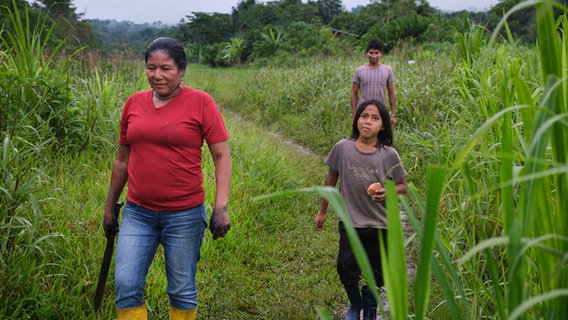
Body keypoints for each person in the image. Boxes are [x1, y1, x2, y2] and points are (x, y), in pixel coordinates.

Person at [103, 37, 232, 320]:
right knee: (125, 284)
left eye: (165, 68)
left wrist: (220, 207)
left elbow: (221, 156)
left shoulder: (201, 103)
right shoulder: (134, 103)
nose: (157, 75)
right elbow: (122, 159)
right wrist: (109, 206)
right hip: (138, 212)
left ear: (181, 71)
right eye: (151, 68)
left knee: (181, 289)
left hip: (184, 214)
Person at [314, 99, 407, 320]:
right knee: (345, 267)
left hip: (380, 224)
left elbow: (403, 185)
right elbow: (330, 181)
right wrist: (323, 211)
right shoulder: (342, 148)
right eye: (364, 116)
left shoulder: (388, 154)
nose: (368, 122)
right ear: (357, 119)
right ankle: (355, 305)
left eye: (375, 118)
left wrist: (390, 191)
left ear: (383, 125)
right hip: (350, 221)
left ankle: (370, 305)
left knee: (378, 272)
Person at [351, 39, 398, 127]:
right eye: (371, 52)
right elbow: (354, 93)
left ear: (381, 53)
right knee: (363, 135)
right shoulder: (359, 70)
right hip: (363, 111)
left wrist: (393, 115)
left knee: (381, 136)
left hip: (380, 111)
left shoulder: (387, 70)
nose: (374, 56)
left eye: (377, 53)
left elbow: (391, 93)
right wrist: (354, 116)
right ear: (366, 53)